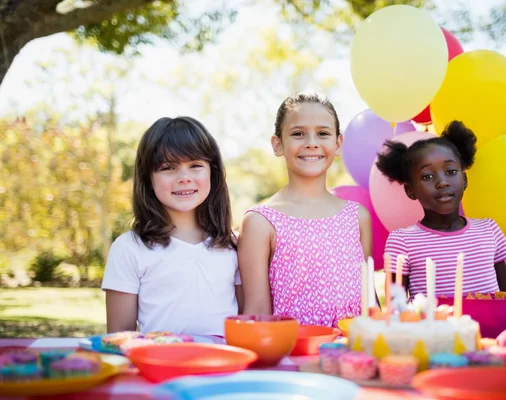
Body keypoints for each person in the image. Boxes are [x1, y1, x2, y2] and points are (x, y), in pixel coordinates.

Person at [237, 92, 373, 327]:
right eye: (298, 134)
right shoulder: (261, 222)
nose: (311, 142)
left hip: (353, 356)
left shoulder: (357, 216)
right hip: (293, 357)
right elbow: (257, 312)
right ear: (278, 144)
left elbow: (370, 303)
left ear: (338, 143)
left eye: (323, 133)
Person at [102, 116, 242, 336]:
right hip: (160, 366)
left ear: (212, 173)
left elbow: (247, 321)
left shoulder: (235, 245)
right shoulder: (128, 248)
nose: (184, 177)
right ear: (148, 178)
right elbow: (120, 336)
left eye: (195, 165)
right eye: (168, 167)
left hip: (225, 367)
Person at [376, 121, 506, 299]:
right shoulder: (402, 240)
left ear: (464, 180)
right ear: (411, 190)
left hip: (490, 328)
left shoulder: (489, 229)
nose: (442, 182)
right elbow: (397, 309)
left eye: (450, 172)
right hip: (431, 327)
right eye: (428, 176)